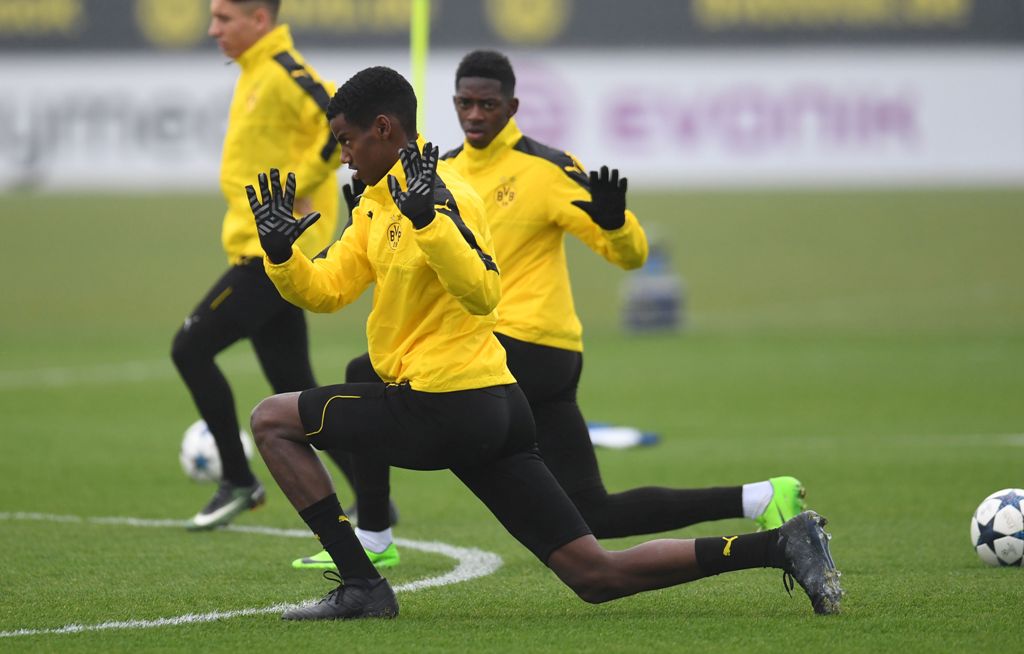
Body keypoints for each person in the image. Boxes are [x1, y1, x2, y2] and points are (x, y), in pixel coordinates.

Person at [244, 65, 843, 620]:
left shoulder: (448, 193)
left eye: (346, 141)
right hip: (493, 408)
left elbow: (483, 293)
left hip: (445, 404)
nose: (342, 157)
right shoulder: (375, 204)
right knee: (595, 575)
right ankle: (780, 545)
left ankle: (363, 585)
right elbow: (328, 290)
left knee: (272, 420)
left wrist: (430, 221)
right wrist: (280, 255)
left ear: (384, 128)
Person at [171, 0, 356, 530]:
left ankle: (238, 479)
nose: (213, 30)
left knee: (190, 347)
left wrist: (296, 183)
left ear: (260, 19)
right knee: (294, 385)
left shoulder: (284, 71)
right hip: (259, 247)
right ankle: (373, 495)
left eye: (223, 19)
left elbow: (338, 119)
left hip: (276, 251)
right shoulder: (256, 72)